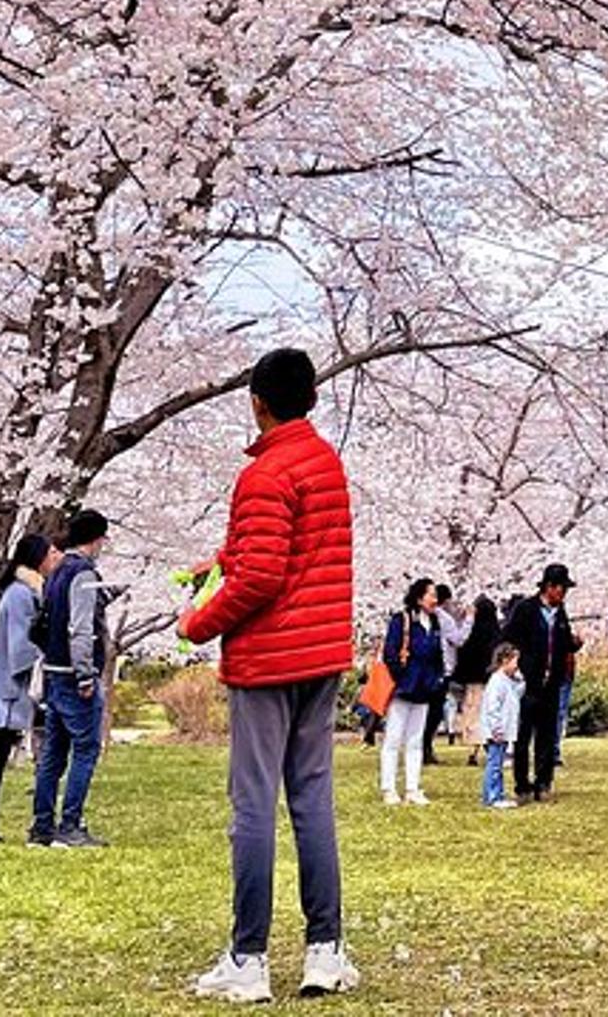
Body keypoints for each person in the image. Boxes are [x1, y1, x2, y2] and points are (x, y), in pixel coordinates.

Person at [181, 348, 359, 1003]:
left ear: (257, 400)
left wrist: (195, 623)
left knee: (252, 806)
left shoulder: (262, 473)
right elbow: (290, 543)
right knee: (312, 802)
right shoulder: (324, 462)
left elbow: (260, 574)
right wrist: (223, 554)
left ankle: (248, 956)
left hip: (267, 661)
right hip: (320, 656)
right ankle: (325, 950)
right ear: (310, 395)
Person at [30, 511, 114, 848]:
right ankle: (70, 825)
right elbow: (79, 627)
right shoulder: (84, 574)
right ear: (97, 538)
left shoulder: (55, 572)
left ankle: (41, 827)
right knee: (85, 749)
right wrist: (85, 674)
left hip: (52, 671)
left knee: (53, 753)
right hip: (73, 674)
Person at [0, 533, 59, 842]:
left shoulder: (23, 591)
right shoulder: (22, 595)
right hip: (10, 687)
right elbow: (21, 647)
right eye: (50, 554)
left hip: (10, 685)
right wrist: (47, 655)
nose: (54, 559)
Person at [500, 563, 579, 802]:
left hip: (552, 682)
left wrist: (573, 644)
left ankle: (544, 782)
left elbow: (563, 643)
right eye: (561, 588)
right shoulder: (525, 610)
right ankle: (522, 784)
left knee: (547, 734)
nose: (563, 593)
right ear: (549, 587)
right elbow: (509, 640)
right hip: (527, 682)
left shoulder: (560, 613)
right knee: (522, 735)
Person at [380, 578, 446, 807]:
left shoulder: (434, 622)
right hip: (404, 687)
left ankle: (412, 787)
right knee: (394, 739)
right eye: (432, 595)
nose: (435, 600)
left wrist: (437, 677)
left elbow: (438, 653)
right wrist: (401, 676)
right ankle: (388, 787)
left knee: (416, 740)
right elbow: (390, 652)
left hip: (425, 688)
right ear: (419, 597)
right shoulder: (403, 620)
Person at [451, 594, 499, 767]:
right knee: (489, 714)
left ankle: (473, 750)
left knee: (472, 713)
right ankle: (489, 747)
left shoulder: (472, 633)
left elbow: (462, 654)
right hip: (491, 681)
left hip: (473, 680)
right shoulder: (496, 634)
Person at [479, 642, 523, 810]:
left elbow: (517, 694)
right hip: (497, 731)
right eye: (514, 661)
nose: (516, 666)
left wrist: (520, 680)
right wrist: (496, 728)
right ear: (505, 660)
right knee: (495, 764)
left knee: (498, 763)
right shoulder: (497, 681)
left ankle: (497, 793)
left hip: (504, 730)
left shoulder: (507, 681)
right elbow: (492, 707)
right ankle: (491, 796)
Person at [429, 583, 467, 758]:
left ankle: (424, 746)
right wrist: (469, 620)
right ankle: (426, 746)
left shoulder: (427, 616)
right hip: (442, 670)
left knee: (430, 710)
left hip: (430, 669)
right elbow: (459, 639)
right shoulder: (444, 618)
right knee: (435, 710)